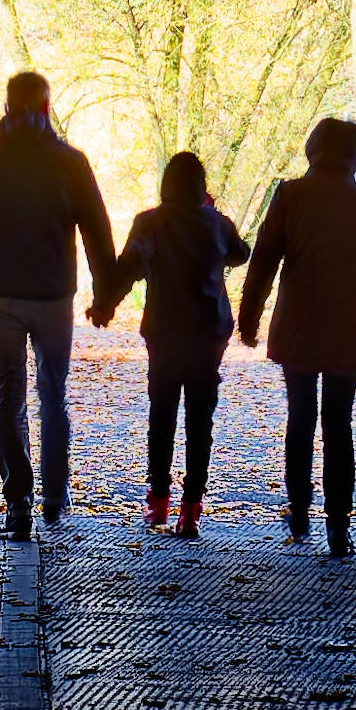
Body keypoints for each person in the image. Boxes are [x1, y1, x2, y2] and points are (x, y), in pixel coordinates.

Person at [0, 71, 120, 538]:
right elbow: (98, 232)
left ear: (6, 108)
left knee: (8, 398)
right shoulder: (71, 162)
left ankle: (18, 502)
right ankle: (55, 498)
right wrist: (104, 297)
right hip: (53, 296)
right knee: (53, 395)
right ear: (45, 109)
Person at [236, 117, 356, 557]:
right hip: (348, 329)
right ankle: (339, 525)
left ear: (313, 148)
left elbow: (264, 260)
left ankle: (299, 510)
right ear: (354, 156)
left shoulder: (290, 196)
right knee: (339, 424)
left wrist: (249, 318)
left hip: (299, 325)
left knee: (300, 418)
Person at [89, 152, 248, 536]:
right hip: (209, 335)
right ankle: (191, 511)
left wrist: (105, 305)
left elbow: (131, 265)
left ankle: (158, 504)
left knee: (161, 417)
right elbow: (241, 254)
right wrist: (213, 218)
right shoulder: (218, 224)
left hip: (165, 333)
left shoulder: (151, 222)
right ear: (201, 186)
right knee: (200, 421)